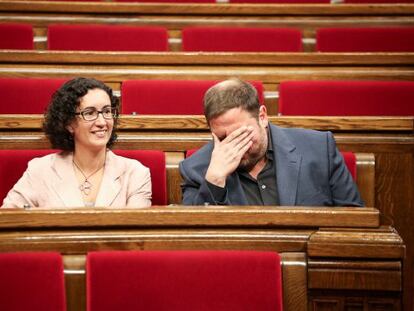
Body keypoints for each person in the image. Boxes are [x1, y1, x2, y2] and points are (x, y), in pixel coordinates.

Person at [179, 78, 363, 206]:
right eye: (222, 138)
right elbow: (194, 240)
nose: (234, 148)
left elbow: (354, 220)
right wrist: (214, 180)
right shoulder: (197, 168)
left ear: (262, 116)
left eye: (242, 135)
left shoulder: (319, 148)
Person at [2, 77, 151, 208]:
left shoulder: (135, 173)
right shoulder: (40, 170)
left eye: (106, 111)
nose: (102, 122)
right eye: (90, 113)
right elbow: (10, 221)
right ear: (69, 123)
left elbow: (135, 233)